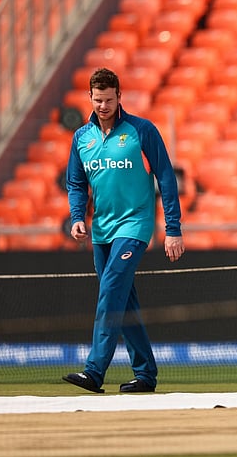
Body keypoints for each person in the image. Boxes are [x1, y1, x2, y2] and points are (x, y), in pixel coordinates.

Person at [63, 67, 185, 394]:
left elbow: (166, 177)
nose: (103, 105)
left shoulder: (141, 130)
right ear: (90, 98)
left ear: (119, 97)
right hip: (101, 229)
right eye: (98, 99)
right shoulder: (82, 138)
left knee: (110, 291)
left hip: (135, 224)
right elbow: (75, 182)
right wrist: (78, 216)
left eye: (108, 99)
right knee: (123, 301)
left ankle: (95, 371)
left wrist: (172, 228)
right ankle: (146, 374)